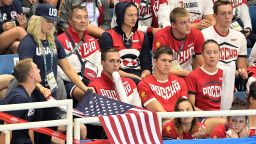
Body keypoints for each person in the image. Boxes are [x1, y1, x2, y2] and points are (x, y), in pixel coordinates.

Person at [17, 3, 94, 144]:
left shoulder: (54, 42)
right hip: (32, 95)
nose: (51, 24)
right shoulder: (28, 42)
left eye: (53, 21)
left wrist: (84, 88)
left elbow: (68, 69)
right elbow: (25, 71)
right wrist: (40, 88)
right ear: (36, 19)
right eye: (48, 20)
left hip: (50, 96)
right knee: (32, 135)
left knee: (47, 136)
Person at [202, 0, 248, 110]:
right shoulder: (204, 34)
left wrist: (242, 72)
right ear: (215, 16)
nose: (227, 17)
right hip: (209, 81)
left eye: (230, 13)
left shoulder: (239, 37)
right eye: (223, 13)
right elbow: (201, 66)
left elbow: (242, 66)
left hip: (230, 81)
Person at [58, 4, 102, 102]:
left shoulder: (93, 41)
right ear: (70, 21)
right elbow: (60, 71)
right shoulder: (60, 40)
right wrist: (80, 80)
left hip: (91, 81)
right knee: (86, 95)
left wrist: (96, 83)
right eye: (78, 17)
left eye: (85, 17)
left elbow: (99, 66)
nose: (83, 21)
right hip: (70, 82)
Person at [99, 1, 152, 84]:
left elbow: (147, 65)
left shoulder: (142, 36)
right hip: (117, 79)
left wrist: (145, 74)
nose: (134, 19)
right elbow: (109, 69)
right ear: (121, 16)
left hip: (139, 78)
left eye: (136, 15)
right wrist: (135, 78)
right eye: (130, 15)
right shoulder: (108, 36)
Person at [152, 7, 204, 77]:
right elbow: (161, 68)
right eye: (183, 23)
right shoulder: (161, 36)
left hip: (187, 75)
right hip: (165, 76)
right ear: (173, 25)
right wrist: (187, 73)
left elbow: (201, 62)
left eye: (189, 21)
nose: (188, 25)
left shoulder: (197, 34)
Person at [0, 59, 41, 144]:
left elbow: (29, 128)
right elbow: (6, 129)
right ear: (31, 74)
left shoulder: (28, 95)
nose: (39, 70)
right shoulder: (20, 98)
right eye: (37, 68)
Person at [138, 46, 187, 112]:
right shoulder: (144, 84)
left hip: (180, 119)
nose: (167, 64)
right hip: (159, 120)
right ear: (155, 62)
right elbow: (160, 112)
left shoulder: (181, 82)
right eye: (164, 60)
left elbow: (184, 108)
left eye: (170, 61)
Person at [186, 39, 223, 111]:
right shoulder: (193, 76)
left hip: (223, 116)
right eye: (208, 53)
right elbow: (191, 106)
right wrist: (208, 115)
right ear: (202, 54)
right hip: (203, 116)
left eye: (215, 52)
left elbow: (231, 101)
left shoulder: (225, 74)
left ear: (219, 54)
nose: (212, 56)